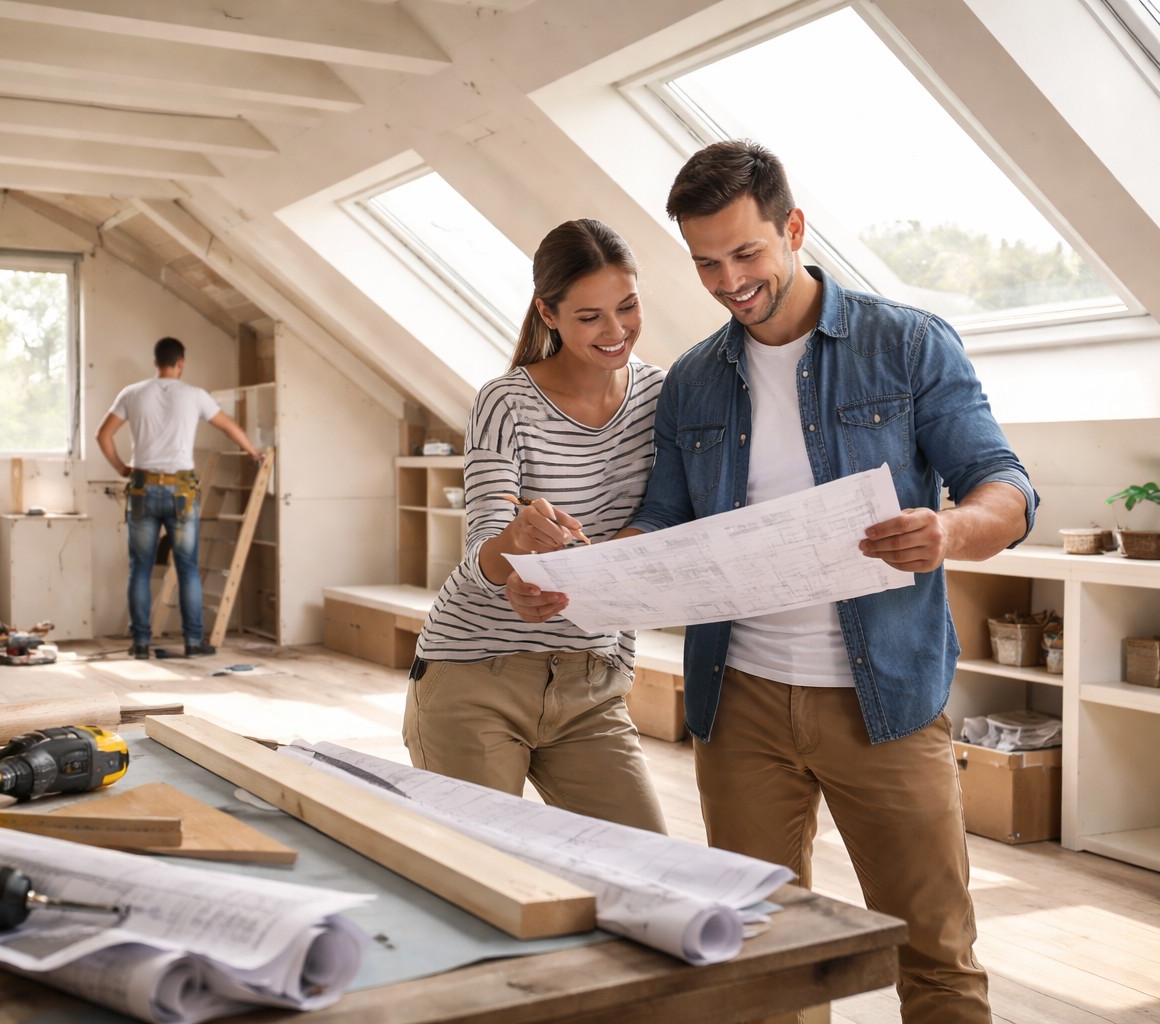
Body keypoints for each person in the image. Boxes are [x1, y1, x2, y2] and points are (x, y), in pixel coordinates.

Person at [512, 141, 1036, 1023]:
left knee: (936, 955)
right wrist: (583, 571)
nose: (729, 281)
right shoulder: (691, 382)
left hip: (887, 701)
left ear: (793, 228)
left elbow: (1007, 489)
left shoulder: (905, 345)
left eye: (747, 253)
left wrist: (947, 530)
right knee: (757, 966)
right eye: (706, 262)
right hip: (742, 704)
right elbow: (664, 523)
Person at [403, 219, 667, 832]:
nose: (615, 331)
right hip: (475, 674)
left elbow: (668, 517)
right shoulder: (505, 402)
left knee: (652, 867)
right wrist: (513, 551)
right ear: (548, 314)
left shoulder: (663, 396)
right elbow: (481, 554)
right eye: (589, 317)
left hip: (592, 683)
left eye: (627, 307)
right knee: (479, 876)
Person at [97, 336, 261, 659]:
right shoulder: (196, 396)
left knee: (140, 568)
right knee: (186, 568)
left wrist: (121, 468)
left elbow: (103, 435)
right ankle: (193, 642)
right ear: (180, 363)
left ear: (155, 362)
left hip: (143, 489)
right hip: (182, 492)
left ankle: (141, 643)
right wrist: (253, 451)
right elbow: (228, 425)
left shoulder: (132, 394)